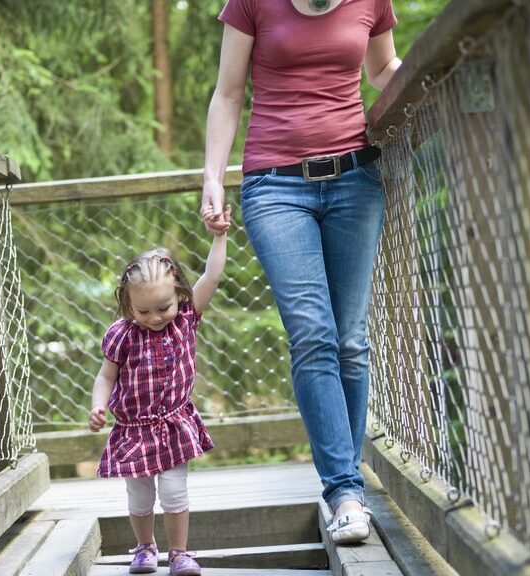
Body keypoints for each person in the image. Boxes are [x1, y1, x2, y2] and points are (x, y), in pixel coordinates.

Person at [202, 0, 402, 545]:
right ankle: (343, 490)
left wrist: (438, 77)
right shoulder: (250, 3)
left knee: (351, 340)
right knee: (313, 334)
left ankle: (348, 486)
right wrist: (213, 178)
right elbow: (228, 92)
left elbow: (383, 71)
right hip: (275, 186)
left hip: (355, 181)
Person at [88, 207, 230, 576]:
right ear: (128, 304)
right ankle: (145, 548)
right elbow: (105, 377)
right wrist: (98, 406)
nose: (154, 318)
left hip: (172, 425)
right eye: (143, 310)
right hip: (133, 429)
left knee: (173, 491)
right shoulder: (122, 334)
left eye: (163, 307)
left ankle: (180, 553)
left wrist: (219, 236)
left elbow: (212, 276)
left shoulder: (185, 319)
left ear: (179, 294)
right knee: (139, 495)